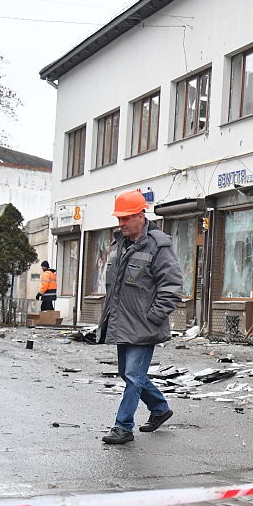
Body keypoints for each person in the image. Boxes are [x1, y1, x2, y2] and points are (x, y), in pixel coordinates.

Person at [99, 189, 183, 445]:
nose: (121, 223)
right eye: (119, 218)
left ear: (140, 215)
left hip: (144, 325)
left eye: (125, 218)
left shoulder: (159, 245)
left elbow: (172, 286)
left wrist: (153, 316)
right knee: (128, 374)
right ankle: (159, 408)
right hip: (123, 322)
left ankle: (123, 427)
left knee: (134, 376)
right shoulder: (119, 244)